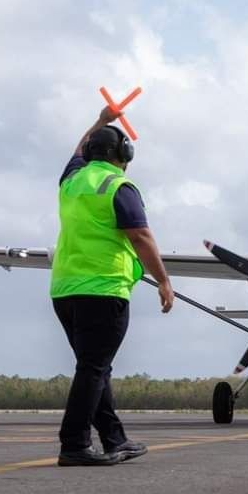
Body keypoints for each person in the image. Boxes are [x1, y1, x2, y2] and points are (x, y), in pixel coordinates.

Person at [51, 106, 175, 466]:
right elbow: (140, 236)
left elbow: (78, 150)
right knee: (93, 368)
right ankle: (74, 444)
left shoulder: (72, 182)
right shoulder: (118, 186)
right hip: (104, 290)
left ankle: (114, 439)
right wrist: (163, 280)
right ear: (124, 154)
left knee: (96, 366)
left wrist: (102, 121)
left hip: (65, 290)